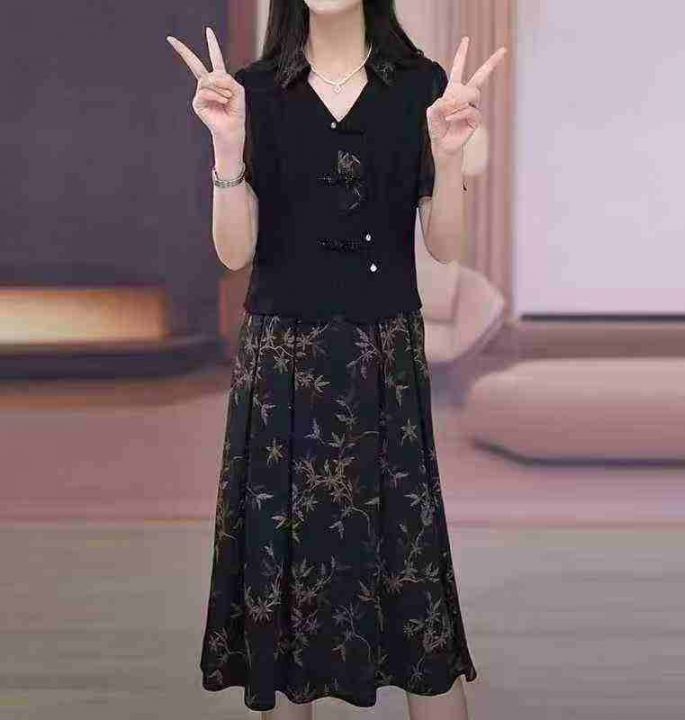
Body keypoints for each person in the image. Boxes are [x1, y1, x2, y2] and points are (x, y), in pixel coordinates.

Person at [167, 2, 505, 718]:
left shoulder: (420, 86)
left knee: (411, 584)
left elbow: (445, 246)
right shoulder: (251, 91)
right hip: (281, 366)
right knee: (285, 591)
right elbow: (234, 252)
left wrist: (447, 156)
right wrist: (227, 149)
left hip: (384, 361)